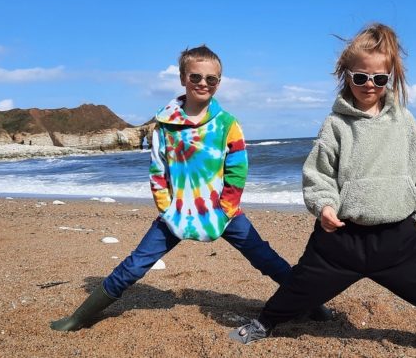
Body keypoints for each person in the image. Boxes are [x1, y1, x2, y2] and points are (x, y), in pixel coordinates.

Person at [228, 24, 416, 357]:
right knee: (300, 287)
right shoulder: (335, 124)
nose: (369, 85)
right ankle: (265, 322)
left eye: (379, 79)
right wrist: (324, 207)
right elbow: (318, 172)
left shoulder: (404, 121)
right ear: (346, 75)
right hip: (341, 240)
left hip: (398, 238)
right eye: (360, 77)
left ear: (390, 78)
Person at [50, 45, 330, 331]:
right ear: (183, 78)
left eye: (212, 79)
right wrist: (167, 210)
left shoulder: (227, 124)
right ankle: (80, 318)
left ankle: (315, 307)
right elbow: (158, 171)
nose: (203, 84)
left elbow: (237, 169)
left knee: (266, 258)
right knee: (135, 264)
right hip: (177, 212)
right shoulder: (165, 125)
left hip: (223, 212)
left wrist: (226, 209)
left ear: (219, 82)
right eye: (196, 77)